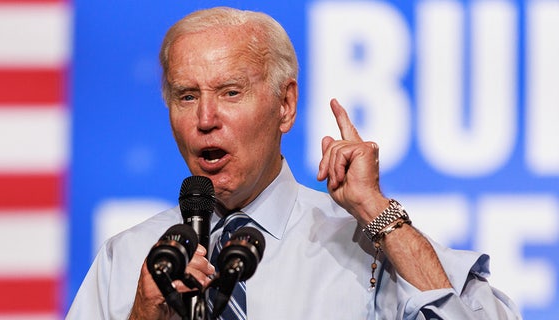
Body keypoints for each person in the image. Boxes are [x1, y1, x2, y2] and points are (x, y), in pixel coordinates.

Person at [67, 6, 521, 320]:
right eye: (187, 96)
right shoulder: (128, 258)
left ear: (285, 105)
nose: (205, 120)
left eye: (230, 92)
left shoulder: (364, 247)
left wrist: (379, 215)